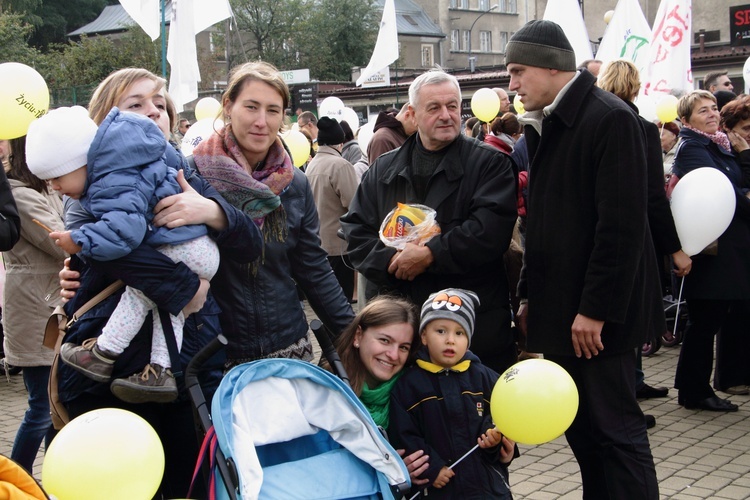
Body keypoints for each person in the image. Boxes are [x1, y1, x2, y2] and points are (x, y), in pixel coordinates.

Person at [56, 67, 263, 498]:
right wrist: (187, 289)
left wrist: (211, 212)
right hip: (110, 370)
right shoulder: (90, 189)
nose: (154, 111)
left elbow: (250, 245)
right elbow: (117, 253)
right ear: (107, 122)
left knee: (190, 482)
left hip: (188, 365)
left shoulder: (183, 172)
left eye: (159, 102)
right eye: (136, 104)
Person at [507, 20, 660, 498]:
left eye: (517, 71)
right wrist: (531, 294)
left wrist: (595, 309)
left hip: (597, 319)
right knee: (585, 432)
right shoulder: (549, 122)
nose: (510, 85)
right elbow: (544, 225)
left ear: (553, 68)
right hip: (563, 311)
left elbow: (621, 228)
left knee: (615, 432)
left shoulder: (608, 118)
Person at [26, 105, 220, 404]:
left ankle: (104, 352)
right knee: (166, 307)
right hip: (197, 247)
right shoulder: (124, 166)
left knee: (139, 292)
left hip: (184, 247)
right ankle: (160, 370)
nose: (55, 188)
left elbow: (124, 231)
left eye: (57, 178)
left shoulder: (110, 180)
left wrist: (80, 240)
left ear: (80, 161)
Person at [341, 69, 519, 374]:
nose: (447, 115)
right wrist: (394, 261)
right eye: (434, 108)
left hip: (473, 329)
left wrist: (430, 254)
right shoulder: (384, 168)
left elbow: (489, 232)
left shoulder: (490, 164)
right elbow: (355, 233)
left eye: (452, 106)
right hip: (404, 331)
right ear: (412, 113)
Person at [189, 61, 355, 366]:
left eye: (272, 110)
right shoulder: (193, 175)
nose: (261, 121)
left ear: (283, 116)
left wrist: (353, 333)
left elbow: (313, 268)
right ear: (228, 106)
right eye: (251, 107)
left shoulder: (295, 182)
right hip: (216, 349)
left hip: (288, 343)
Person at [596, 59, 692, 413]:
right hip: (637, 240)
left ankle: (631, 385)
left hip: (604, 239)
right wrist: (675, 249)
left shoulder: (595, 122)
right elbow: (654, 197)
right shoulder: (641, 128)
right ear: (636, 87)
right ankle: (626, 399)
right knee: (629, 318)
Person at [390, 288, 516, 498]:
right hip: (439, 490)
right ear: (423, 336)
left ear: (469, 339)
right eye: (440, 331)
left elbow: (502, 416)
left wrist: (495, 439)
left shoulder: (485, 378)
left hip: (487, 489)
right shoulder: (408, 385)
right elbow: (405, 435)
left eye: (459, 333)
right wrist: (432, 468)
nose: (450, 340)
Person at [672, 90, 750, 410]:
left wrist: (743, 153)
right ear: (686, 120)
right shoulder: (693, 148)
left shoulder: (719, 145)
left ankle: (695, 387)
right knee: (704, 322)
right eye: (702, 110)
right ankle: (694, 391)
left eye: (714, 108)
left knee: (708, 321)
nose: (712, 113)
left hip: (726, 251)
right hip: (708, 252)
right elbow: (730, 193)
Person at [2, 136, 66, 473]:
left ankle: (50, 478)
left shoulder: (45, 191)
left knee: (54, 408)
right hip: (35, 308)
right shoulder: (21, 195)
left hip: (46, 303)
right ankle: (16, 480)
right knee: (42, 407)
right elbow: (60, 241)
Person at [329, 296, 428, 487]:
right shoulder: (327, 389)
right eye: (384, 340)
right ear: (358, 336)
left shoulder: (414, 391)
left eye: (403, 347)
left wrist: (498, 452)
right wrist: (385, 473)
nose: (393, 355)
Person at [715, 94, 750, 394]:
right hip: (734, 242)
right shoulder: (729, 153)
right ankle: (731, 376)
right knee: (736, 312)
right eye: (746, 127)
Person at [305, 117, 359, 302]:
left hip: (318, 243)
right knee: (342, 301)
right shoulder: (340, 165)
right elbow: (355, 205)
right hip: (339, 245)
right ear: (340, 142)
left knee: (328, 302)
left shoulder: (311, 164)